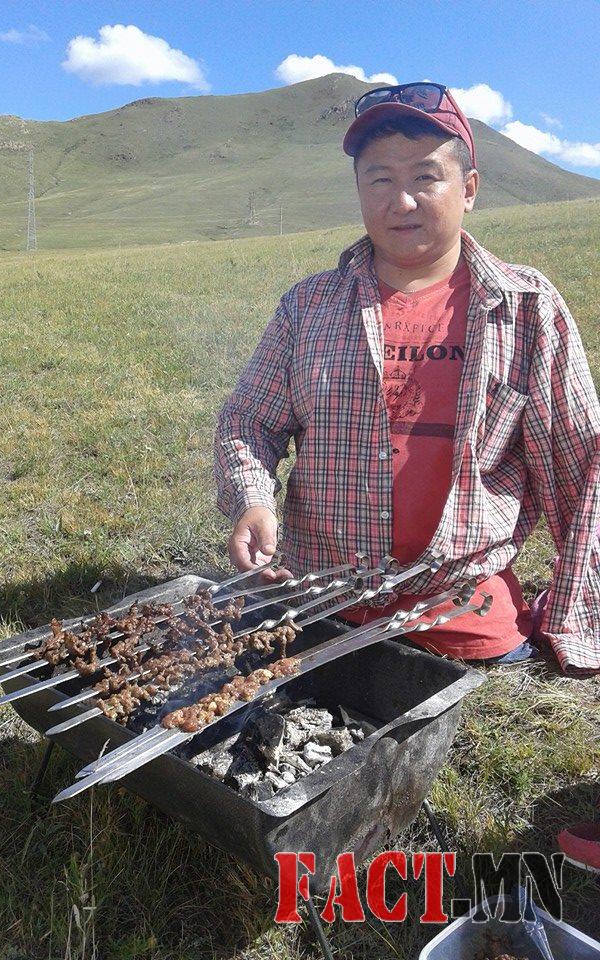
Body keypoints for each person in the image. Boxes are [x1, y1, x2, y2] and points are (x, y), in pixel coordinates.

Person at [213, 81, 600, 672]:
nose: (402, 201)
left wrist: (580, 614)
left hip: (461, 612)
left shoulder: (527, 308)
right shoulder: (308, 306)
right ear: (358, 191)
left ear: (468, 189)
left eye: (426, 177)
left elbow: (582, 468)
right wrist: (252, 501)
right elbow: (249, 421)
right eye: (380, 180)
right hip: (320, 601)